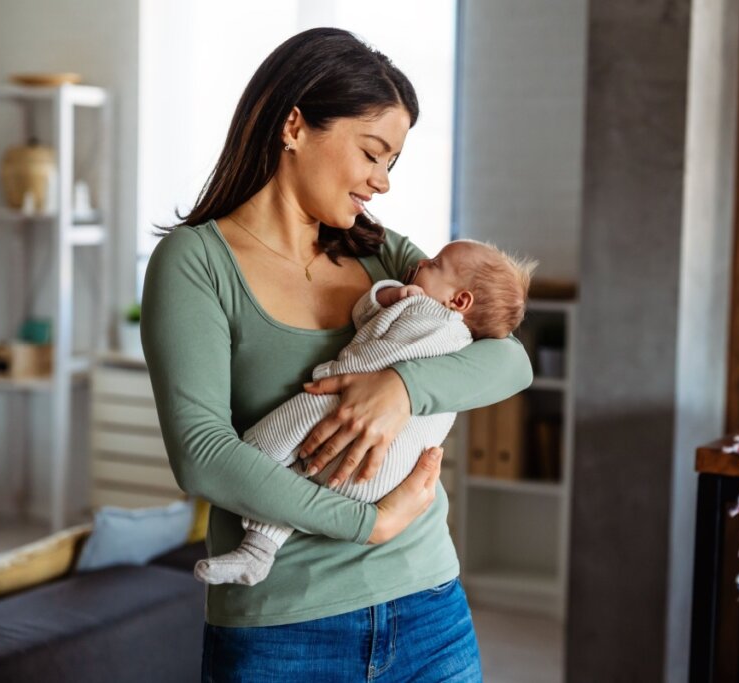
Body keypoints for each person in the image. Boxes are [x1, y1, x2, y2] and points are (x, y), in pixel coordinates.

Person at [141, 27, 533, 682]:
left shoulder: (381, 251)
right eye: (373, 153)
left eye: (393, 164)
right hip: (283, 630)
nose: (380, 182)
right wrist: (366, 523)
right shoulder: (195, 263)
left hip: (428, 607)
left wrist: (401, 387)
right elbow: (202, 452)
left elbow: (511, 361)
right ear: (294, 125)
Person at [193, 241, 537, 586]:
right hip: (379, 482)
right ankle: (258, 553)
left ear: (459, 300)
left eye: (434, 264)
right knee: (300, 474)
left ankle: (253, 472)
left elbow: (376, 352)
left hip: (375, 457)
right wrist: (392, 296)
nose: (421, 262)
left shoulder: (433, 318)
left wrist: (375, 380)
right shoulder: (459, 339)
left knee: (278, 441)